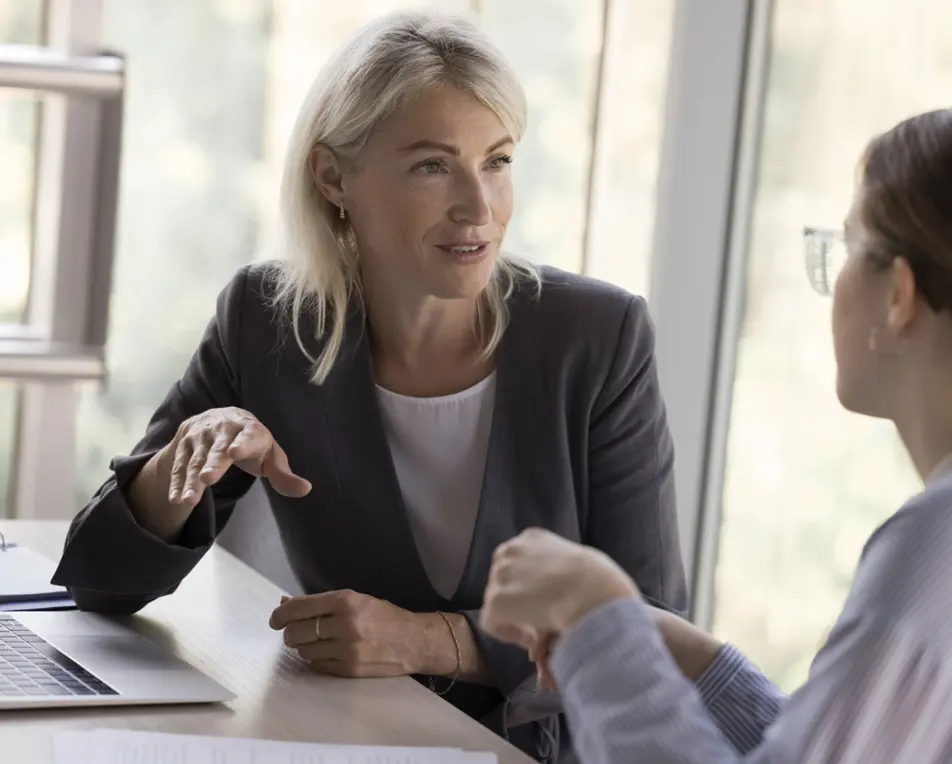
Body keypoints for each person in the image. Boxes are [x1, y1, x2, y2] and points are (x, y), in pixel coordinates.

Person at [51, 10, 686, 759]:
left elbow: (651, 624)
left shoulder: (597, 337)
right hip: (350, 742)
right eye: (431, 165)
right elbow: (97, 582)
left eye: (497, 160)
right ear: (333, 177)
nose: (478, 208)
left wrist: (431, 641)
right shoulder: (269, 322)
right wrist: (180, 465)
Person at [480, 107, 952, 764]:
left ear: (898, 293)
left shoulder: (935, 542)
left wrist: (597, 616)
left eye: (847, 247)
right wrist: (682, 654)